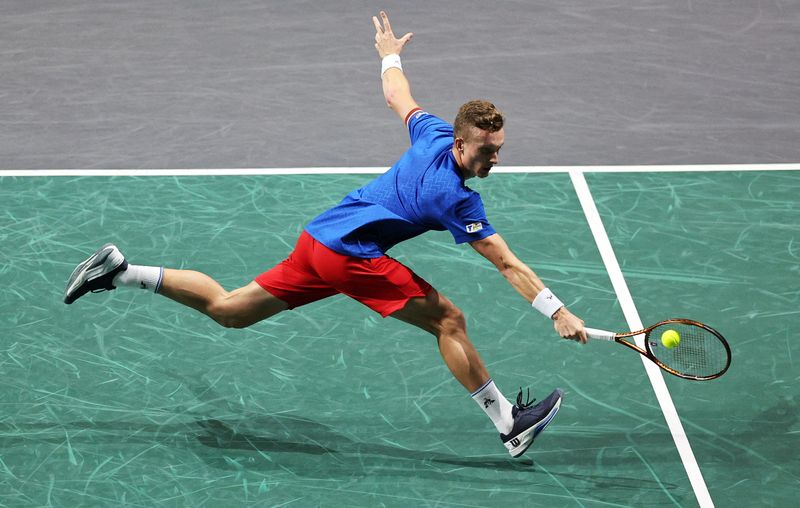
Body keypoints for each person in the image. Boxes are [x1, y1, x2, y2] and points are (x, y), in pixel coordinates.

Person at [63, 10, 588, 458]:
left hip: (319, 240)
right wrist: (557, 311)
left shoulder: (431, 133)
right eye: (485, 150)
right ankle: (508, 425)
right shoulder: (454, 198)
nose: (494, 158)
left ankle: (121, 272)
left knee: (231, 310)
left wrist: (389, 54)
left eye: (498, 148)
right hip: (350, 255)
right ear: (460, 143)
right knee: (448, 319)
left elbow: (396, 96)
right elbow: (506, 263)